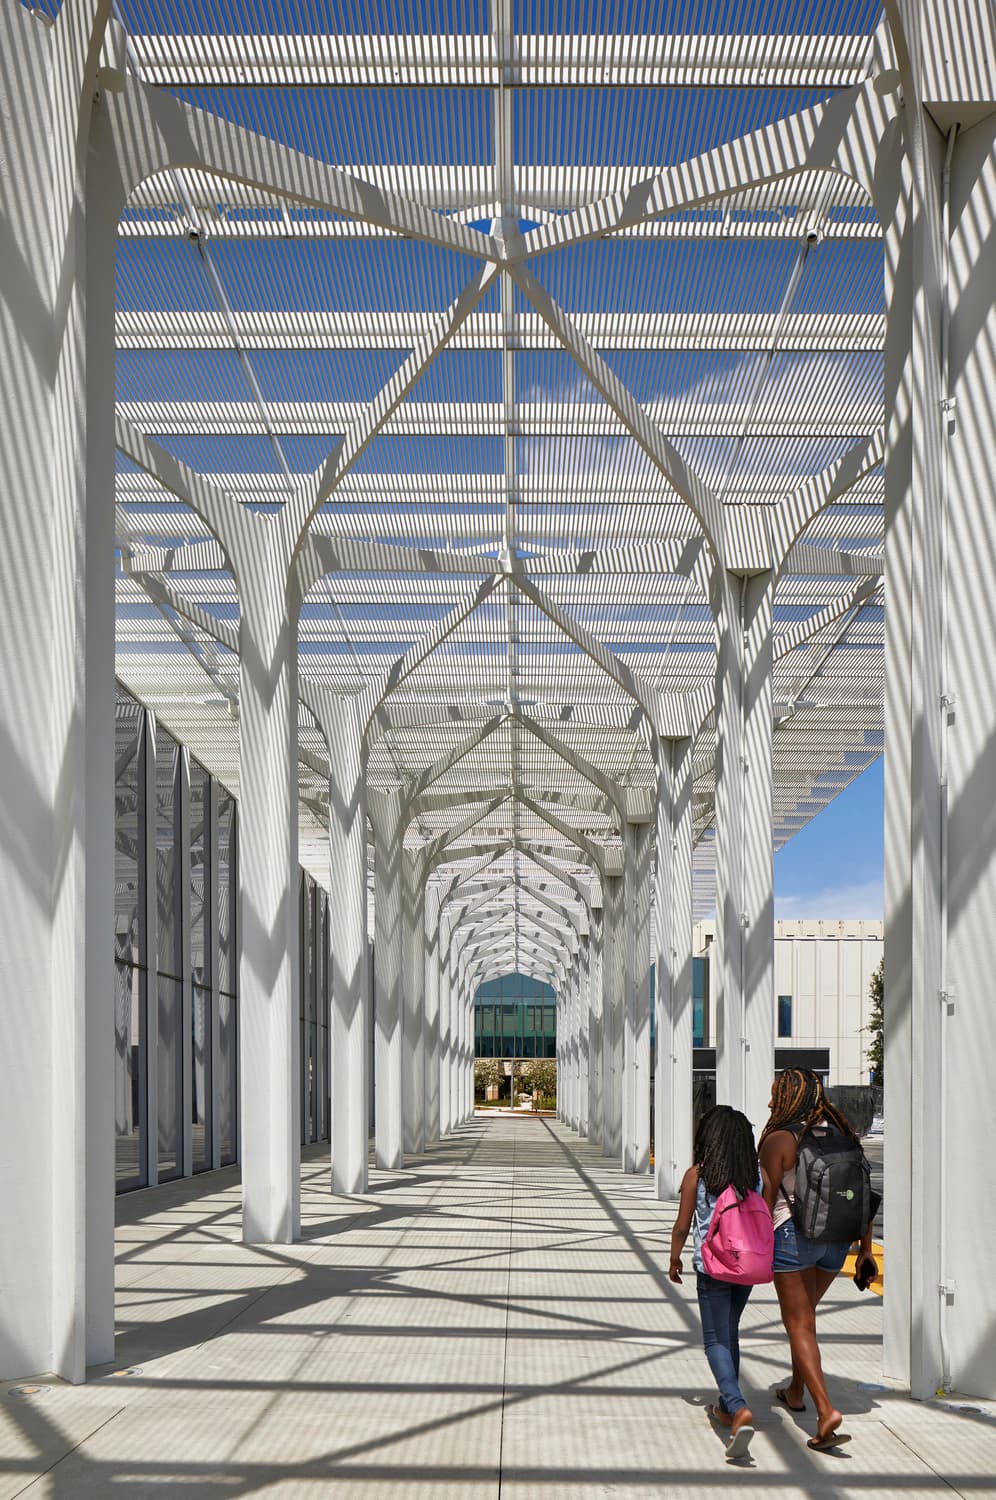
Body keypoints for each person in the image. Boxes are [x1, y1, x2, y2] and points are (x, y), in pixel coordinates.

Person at [758, 1068, 877, 1450]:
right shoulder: (844, 1135)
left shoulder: (779, 1139)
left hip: (794, 1237)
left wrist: (755, 1248)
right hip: (837, 1241)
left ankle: (826, 1412)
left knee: (799, 1324)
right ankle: (795, 1391)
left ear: (791, 1096)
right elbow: (862, 1197)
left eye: (777, 1093)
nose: (772, 1101)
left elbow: (765, 1202)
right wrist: (863, 1250)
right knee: (805, 1319)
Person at [669, 1105, 770, 1459]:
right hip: (745, 1269)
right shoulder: (757, 1178)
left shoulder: (697, 1176)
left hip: (712, 1269)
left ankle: (738, 1406)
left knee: (714, 1340)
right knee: (730, 1333)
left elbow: (682, 1225)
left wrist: (674, 1257)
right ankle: (728, 1408)